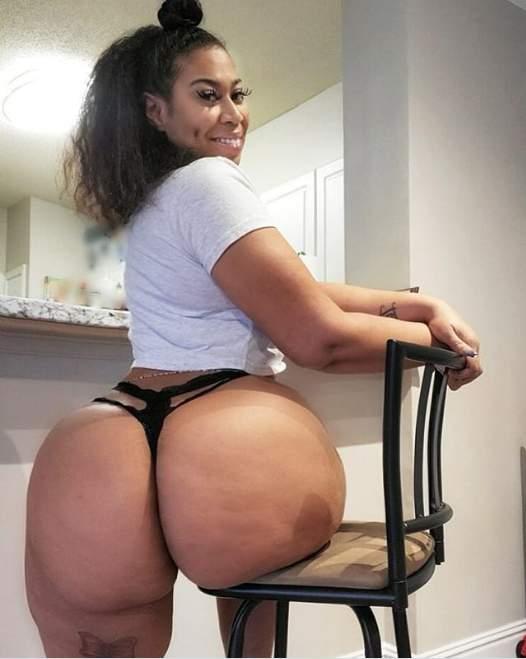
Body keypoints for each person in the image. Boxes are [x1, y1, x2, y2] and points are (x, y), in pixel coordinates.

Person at [24, 0, 483, 657]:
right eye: (207, 95)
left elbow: (297, 292)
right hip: (227, 443)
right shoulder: (213, 182)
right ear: (156, 111)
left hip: (103, 440)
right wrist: (440, 346)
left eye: (237, 94)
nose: (233, 113)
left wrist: (418, 306)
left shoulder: (155, 202)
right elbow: (317, 336)